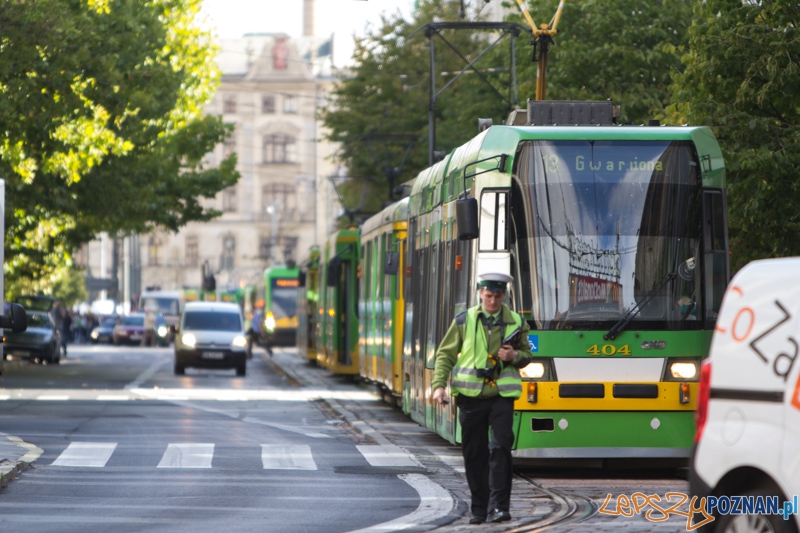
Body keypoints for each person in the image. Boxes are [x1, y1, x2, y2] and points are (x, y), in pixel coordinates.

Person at [431, 272, 533, 525]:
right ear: (480, 293)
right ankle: (479, 509)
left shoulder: (516, 322)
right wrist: (438, 386)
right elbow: (445, 355)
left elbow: (527, 355)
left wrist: (514, 357)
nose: (493, 301)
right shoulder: (464, 320)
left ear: (504, 296)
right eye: (489, 296)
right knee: (474, 453)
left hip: (501, 395)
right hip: (469, 396)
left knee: (500, 447)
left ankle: (499, 507)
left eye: (498, 296)